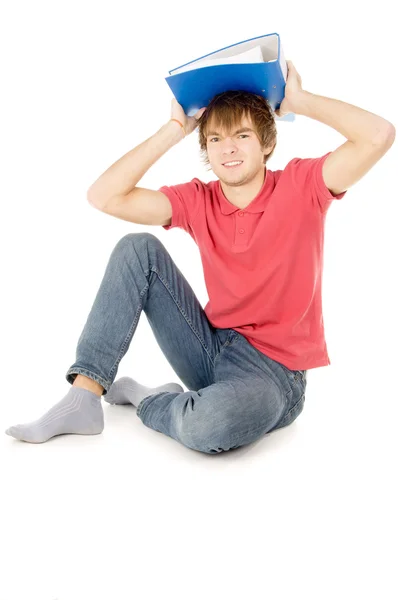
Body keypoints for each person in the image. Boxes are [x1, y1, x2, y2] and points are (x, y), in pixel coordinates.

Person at [6, 61, 395, 453]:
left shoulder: (302, 185)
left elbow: (379, 136)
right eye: (215, 139)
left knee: (208, 427)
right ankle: (84, 398)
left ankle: (150, 400)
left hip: (274, 373)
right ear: (206, 149)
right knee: (136, 249)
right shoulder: (198, 199)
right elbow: (104, 196)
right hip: (210, 348)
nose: (228, 148)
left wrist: (300, 100)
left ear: (266, 143)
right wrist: (173, 131)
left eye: (242, 135)